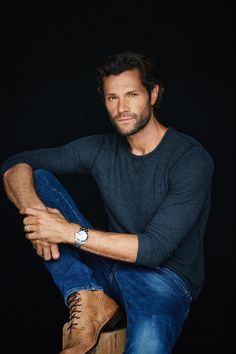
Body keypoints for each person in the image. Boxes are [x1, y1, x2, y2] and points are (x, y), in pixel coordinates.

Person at [0, 50, 214, 354]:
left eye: (131, 95)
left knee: (147, 348)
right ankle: (86, 294)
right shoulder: (99, 148)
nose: (122, 108)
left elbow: (153, 249)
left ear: (153, 94)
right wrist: (37, 215)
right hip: (108, 264)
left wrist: (67, 232)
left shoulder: (190, 160)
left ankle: (92, 293)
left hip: (165, 280)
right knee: (37, 180)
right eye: (112, 98)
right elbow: (17, 162)